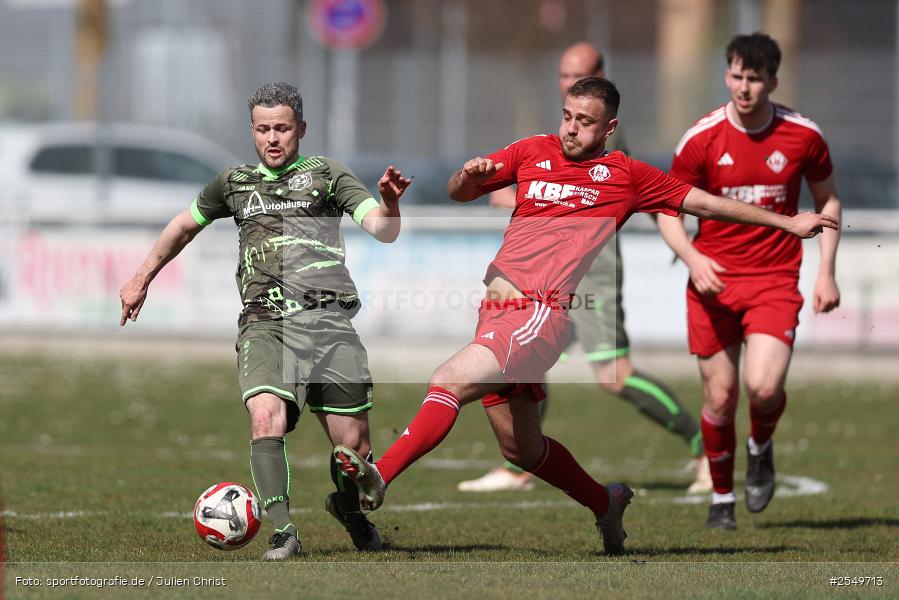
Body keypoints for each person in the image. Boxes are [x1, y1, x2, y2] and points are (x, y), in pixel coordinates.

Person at [332, 76, 836, 554]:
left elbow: (702, 202)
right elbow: (459, 192)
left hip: (540, 312)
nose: (571, 128)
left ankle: (378, 478)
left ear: (609, 128)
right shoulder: (531, 151)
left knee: (447, 379)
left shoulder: (627, 176)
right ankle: (606, 501)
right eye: (567, 116)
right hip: (496, 313)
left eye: (585, 121)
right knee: (522, 452)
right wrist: (468, 177)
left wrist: (786, 222)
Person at [119, 82, 411, 559]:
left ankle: (348, 508)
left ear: (301, 129)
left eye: (282, 128)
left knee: (354, 451)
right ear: (251, 131)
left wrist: (390, 204)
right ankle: (284, 531)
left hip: (330, 324)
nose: (272, 139)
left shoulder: (326, 174)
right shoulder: (233, 183)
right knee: (265, 416)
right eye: (263, 129)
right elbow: (183, 226)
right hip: (266, 320)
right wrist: (141, 278)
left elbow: (382, 229)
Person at [458, 41, 710, 495]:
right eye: (562, 76)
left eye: (578, 75)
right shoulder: (560, 132)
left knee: (614, 376)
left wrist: (687, 250)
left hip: (590, 270)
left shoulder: (607, 138)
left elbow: (641, 197)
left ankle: (702, 446)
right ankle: (520, 465)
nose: (568, 85)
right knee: (522, 363)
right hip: (540, 275)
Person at [657, 33, 842, 530]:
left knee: (762, 387)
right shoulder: (701, 139)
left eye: (755, 78)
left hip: (774, 280)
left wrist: (826, 271)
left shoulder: (802, 135)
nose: (744, 87)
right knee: (719, 398)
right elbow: (667, 209)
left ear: (773, 81)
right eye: (737, 75)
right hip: (713, 282)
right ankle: (721, 499)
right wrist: (692, 257)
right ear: (726, 75)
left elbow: (827, 200)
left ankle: (760, 444)